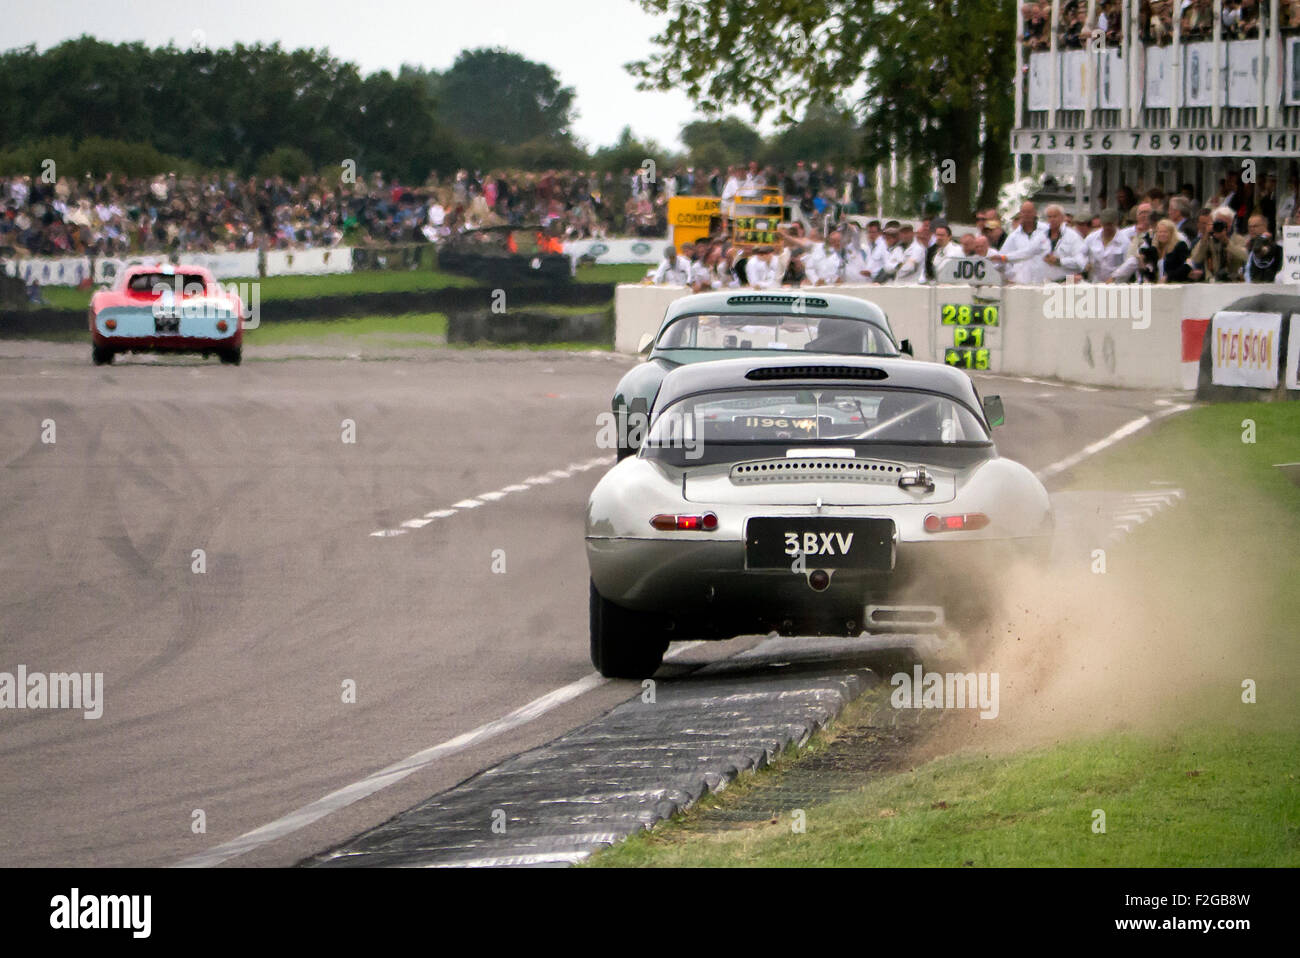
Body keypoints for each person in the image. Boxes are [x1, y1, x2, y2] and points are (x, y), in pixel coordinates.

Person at [990, 201, 1049, 283]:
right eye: (1024, 212)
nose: (1027, 215)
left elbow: (1029, 252)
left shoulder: (1046, 230)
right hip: (1022, 283)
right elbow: (1001, 258)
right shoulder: (1014, 236)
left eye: (1029, 212)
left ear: (1035, 213)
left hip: (1045, 281)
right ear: (1020, 214)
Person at [1188, 206, 1247, 282]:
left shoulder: (1238, 239)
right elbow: (1196, 258)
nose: (1222, 226)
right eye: (1218, 222)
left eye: (1225, 223)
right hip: (1212, 282)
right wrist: (1206, 236)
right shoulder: (1208, 238)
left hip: (1232, 282)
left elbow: (1244, 256)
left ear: (1231, 223)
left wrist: (1226, 242)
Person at [1041, 204, 1088, 282]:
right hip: (1044, 282)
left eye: (1055, 216)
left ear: (1062, 218)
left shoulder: (1073, 236)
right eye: (1049, 217)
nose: (1052, 219)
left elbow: (1081, 263)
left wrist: (1059, 261)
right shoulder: (1040, 236)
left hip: (1066, 281)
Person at [1082, 209, 1130, 282]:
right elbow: (1080, 254)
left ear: (1116, 222)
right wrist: (1085, 263)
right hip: (1094, 282)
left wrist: (1115, 277)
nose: (1107, 227)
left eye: (1110, 224)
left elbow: (1127, 264)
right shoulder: (1091, 238)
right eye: (1105, 224)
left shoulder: (1125, 241)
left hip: (1116, 284)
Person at [1138, 219, 1191, 283]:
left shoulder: (1180, 245)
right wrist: (1144, 269)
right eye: (1160, 232)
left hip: (1175, 284)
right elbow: (1153, 274)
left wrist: (1168, 277)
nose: (1162, 234)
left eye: (1165, 232)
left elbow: (1187, 267)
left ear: (1171, 233)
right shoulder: (1155, 249)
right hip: (1158, 285)